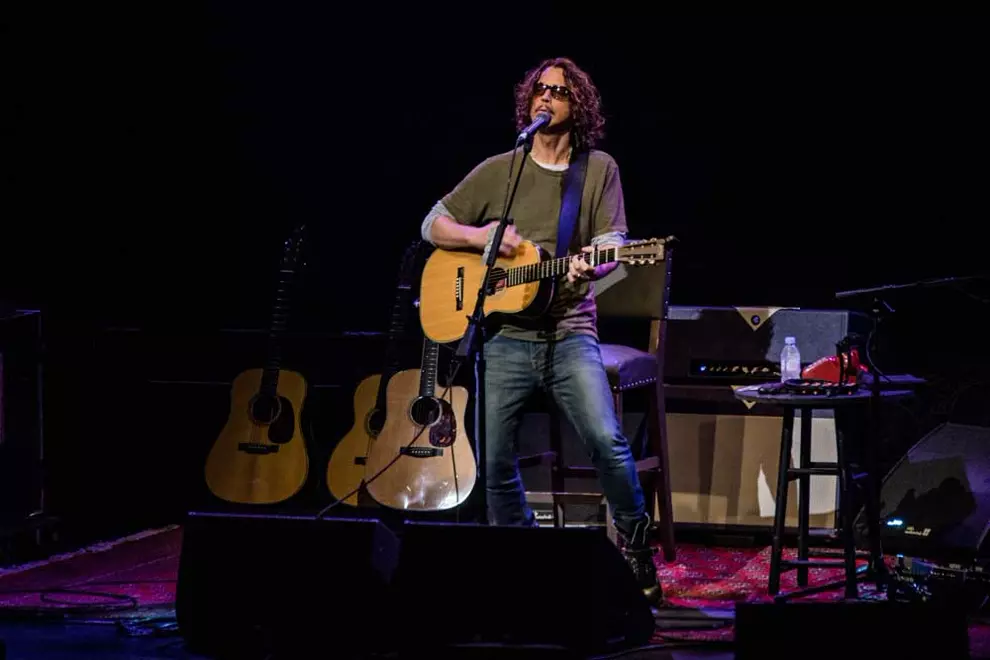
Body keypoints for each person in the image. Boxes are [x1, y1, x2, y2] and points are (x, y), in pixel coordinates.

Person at [419, 57, 662, 603]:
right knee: (493, 456)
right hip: (506, 339)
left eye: (559, 91)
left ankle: (636, 542)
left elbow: (616, 243)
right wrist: (481, 236)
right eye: (539, 90)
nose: (545, 98)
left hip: (570, 330)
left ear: (579, 107)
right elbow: (432, 220)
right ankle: (521, 563)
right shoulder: (500, 169)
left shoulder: (597, 170)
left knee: (605, 438)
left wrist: (595, 262)